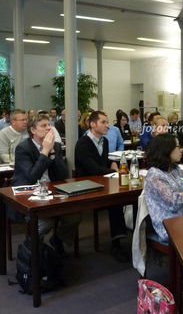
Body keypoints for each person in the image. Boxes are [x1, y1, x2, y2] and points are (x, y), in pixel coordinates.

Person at [12, 114, 81, 256]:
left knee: (74, 216)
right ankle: (33, 253)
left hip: (52, 192)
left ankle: (58, 240)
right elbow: (32, 176)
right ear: (33, 130)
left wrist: (53, 152)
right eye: (44, 126)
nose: (49, 128)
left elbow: (63, 175)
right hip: (30, 194)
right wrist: (44, 152)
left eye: (49, 125)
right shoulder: (23, 148)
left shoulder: (55, 145)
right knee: (44, 223)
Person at [74, 111, 129, 262]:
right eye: (103, 122)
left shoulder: (104, 141)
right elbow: (93, 169)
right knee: (115, 201)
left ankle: (118, 242)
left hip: (102, 182)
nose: (107, 125)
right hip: (86, 185)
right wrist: (113, 171)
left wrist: (113, 164)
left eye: (107, 122)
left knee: (119, 198)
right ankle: (116, 244)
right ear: (93, 124)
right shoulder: (83, 143)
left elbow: (103, 162)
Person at [144, 134, 183, 243]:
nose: (181, 150)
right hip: (171, 224)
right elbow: (173, 202)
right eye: (178, 147)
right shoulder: (155, 175)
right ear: (166, 150)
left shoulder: (174, 168)